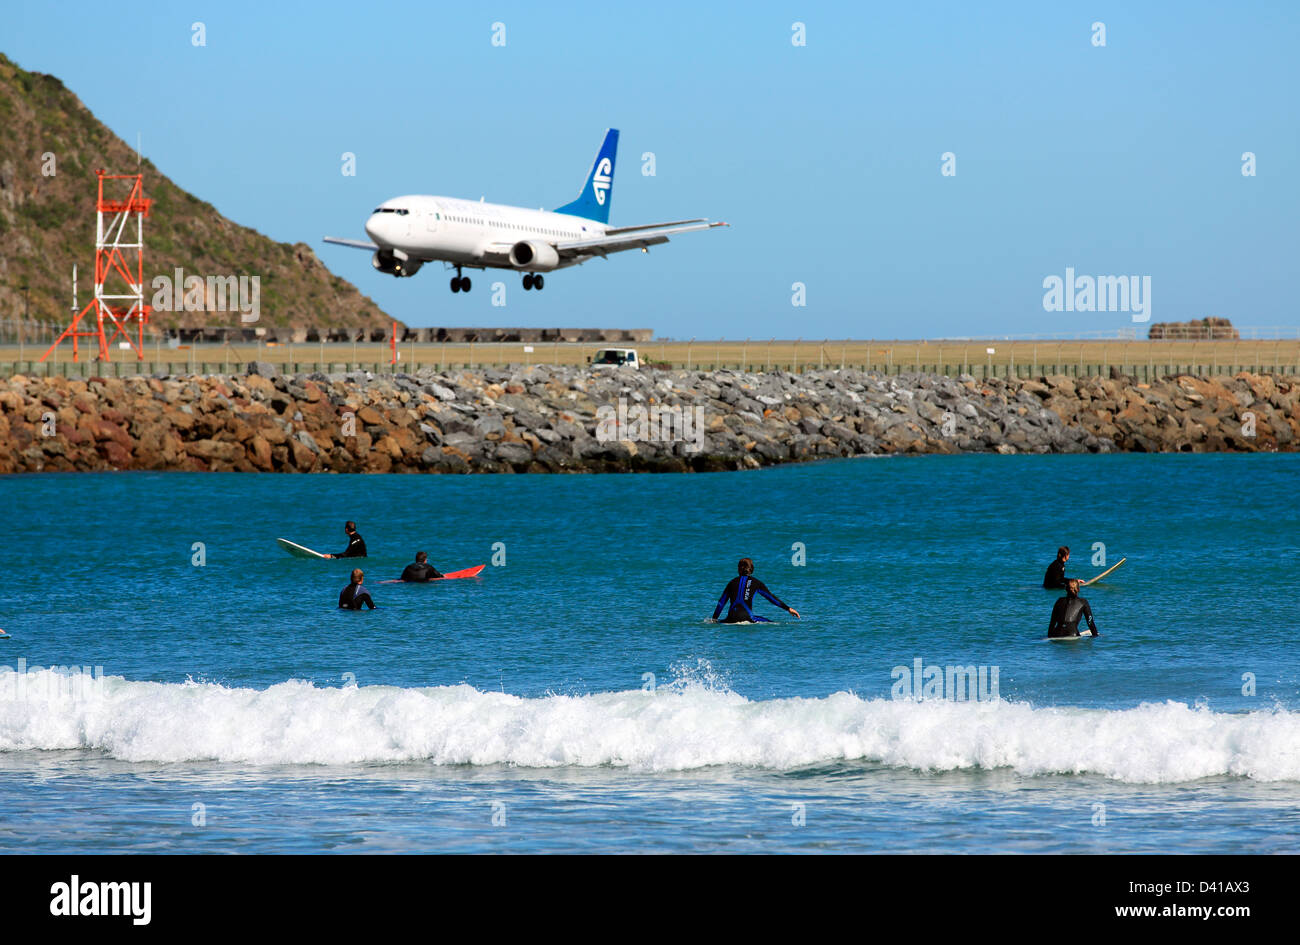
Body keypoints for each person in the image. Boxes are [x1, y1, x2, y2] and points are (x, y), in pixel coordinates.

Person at [710, 557, 800, 624]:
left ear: (738, 569)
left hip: (730, 619)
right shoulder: (757, 583)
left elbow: (721, 603)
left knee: (721, 621)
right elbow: (771, 598)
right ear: (752, 569)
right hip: (747, 618)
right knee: (771, 622)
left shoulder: (732, 582)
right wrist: (788, 608)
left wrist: (714, 619)